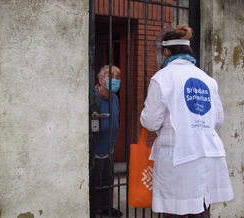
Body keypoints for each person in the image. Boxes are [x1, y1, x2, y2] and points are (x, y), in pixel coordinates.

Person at [140, 25, 234, 217]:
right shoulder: (207, 79)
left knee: (177, 211)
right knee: (201, 210)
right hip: (207, 156)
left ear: (166, 51)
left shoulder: (162, 78)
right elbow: (218, 119)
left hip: (178, 160)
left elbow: (150, 122)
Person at [93, 65, 123, 217]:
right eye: (111, 76)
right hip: (95, 148)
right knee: (96, 179)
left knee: (108, 177)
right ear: (100, 79)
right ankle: (94, 209)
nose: (115, 80)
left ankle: (106, 207)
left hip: (109, 146)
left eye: (118, 78)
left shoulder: (114, 98)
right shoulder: (93, 97)